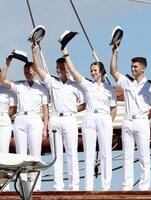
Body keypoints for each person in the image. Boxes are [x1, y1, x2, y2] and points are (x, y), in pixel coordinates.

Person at [61, 46, 117, 191]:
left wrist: (108, 123)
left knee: (106, 152)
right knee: (89, 152)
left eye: (95, 70)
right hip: (90, 116)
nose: (92, 73)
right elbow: (73, 71)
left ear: (102, 72)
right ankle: (88, 186)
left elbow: (114, 108)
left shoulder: (109, 89)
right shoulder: (88, 85)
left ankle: (106, 187)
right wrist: (66, 53)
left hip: (104, 117)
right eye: (91, 70)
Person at [31, 43, 86, 191]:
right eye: (58, 67)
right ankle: (58, 186)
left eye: (62, 67)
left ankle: (74, 187)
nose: (60, 70)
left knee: (71, 153)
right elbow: (37, 69)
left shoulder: (76, 85)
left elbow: (86, 103)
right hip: (55, 119)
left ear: (67, 69)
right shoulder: (51, 82)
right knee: (56, 155)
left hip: (69, 119)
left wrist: (74, 109)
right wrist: (34, 52)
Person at [110, 46, 151, 191]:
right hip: (127, 120)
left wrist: (145, 117)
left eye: (135, 66)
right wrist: (115, 53)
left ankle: (144, 186)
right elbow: (113, 71)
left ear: (143, 68)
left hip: (141, 121)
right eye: (131, 66)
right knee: (127, 155)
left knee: (144, 154)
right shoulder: (127, 81)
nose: (132, 69)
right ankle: (127, 185)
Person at [0, 55, 49, 191]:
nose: (28, 74)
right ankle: (22, 185)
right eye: (25, 72)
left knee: (35, 152)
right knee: (20, 154)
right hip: (21, 118)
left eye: (30, 71)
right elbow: (2, 79)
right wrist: (7, 62)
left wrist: (45, 127)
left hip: (35, 119)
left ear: (35, 71)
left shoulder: (42, 88)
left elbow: (45, 108)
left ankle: (36, 186)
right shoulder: (19, 85)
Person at [0, 68, 17, 191]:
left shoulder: (8, 90)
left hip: (4, 120)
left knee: (4, 152)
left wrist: (4, 116)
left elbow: (13, 109)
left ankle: (5, 186)